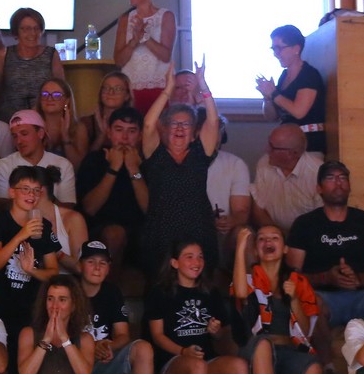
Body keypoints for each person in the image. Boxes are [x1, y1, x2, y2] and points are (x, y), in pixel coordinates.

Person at [286, 160, 364, 328]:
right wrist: (326, 278)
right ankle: (321, 347)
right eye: (330, 178)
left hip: (363, 295)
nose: (338, 182)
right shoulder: (304, 224)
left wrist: (358, 279)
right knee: (309, 302)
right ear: (319, 188)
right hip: (323, 296)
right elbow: (291, 277)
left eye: (342, 177)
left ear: (349, 186)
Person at [147, 240, 249, 374]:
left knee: (240, 367)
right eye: (189, 257)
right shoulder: (160, 292)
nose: (196, 262)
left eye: (200, 257)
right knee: (197, 366)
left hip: (207, 360)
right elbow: (157, 336)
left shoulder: (210, 291)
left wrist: (216, 331)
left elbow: (221, 336)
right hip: (173, 361)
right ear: (174, 263)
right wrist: (183, 351)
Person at [139, 67, 220, 272]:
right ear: (165, 130)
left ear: (194, 134)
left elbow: (213, 121)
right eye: (174, 123)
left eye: (186, 124)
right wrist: (168, 89)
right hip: (160, 233)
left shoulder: (200, 154)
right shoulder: (155, 155)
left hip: (198, 230)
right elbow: (148, 124)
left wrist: (203, 86)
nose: (180, 128)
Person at [0, 165, 62, 374]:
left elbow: (54, 272)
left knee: (26, 369)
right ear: (12, 192)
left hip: (30, 309)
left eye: (36, 190)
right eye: (25, 189)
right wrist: (21, 235)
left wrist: (32, 270)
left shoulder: (43, 226)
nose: (31, 195)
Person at [232, 226, 323, 374]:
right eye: (261, 239)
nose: (268, 241)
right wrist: (241, 247)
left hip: (289, 351)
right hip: (255, 354)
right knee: (263, 343)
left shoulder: (298, 282)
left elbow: (305, 333)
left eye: (274, 238)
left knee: (314, 368)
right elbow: (241, 293)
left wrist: (294, 299)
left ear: (285, 248)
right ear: (255, 250)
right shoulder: (249, 279)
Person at [79, 240, 154, 374]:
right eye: (91, 262)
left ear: (108, 268)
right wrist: (91, 347)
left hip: (103, 363)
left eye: (103, 263)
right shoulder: (68, 288)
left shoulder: (112, 292)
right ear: (80, 265)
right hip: (73, 364)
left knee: (143, 348)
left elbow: (123, 335)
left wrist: (107, 346)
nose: (97, 268)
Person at [77, 107, 148, 267]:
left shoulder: (147, 162)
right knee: (115, 234)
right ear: (109, 133)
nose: (124, 137)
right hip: (100, 229)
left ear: (140, 135)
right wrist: (113, 169)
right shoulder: (94, 160)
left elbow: (149, 209)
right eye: (119, 130)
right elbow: (90, 208)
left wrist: (134, 169)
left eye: (131, 131)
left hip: (139, 231)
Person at [17, 275, 95, 374]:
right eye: (50, 299)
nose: (54, 306)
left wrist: (65, 339)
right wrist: (46, 340)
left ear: (73, 305)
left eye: (62, 300)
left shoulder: (85, 339)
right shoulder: (28, 334)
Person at [112, 0, 175, 114]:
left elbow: (166, 56)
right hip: (130, 90)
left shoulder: (165, 16)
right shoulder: (125, 19)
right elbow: (118, 61)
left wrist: (145, 37)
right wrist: (133, 42)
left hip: (159, 89)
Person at [256, 25, 327, 155]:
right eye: (273, 49)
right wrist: (267, 97)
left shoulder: (309, 75)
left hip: (309, 145)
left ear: (296, 49)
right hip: (286, 144)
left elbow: (299, 112)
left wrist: (274, 93)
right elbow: (271, 117)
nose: (276, 54)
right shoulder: (283, 76)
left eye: (279, 48)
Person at [0, 109, 77, 207]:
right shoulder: (3, 166)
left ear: (40, 133)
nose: (19, 141)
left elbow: (68, 208)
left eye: (24, 134)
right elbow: (3, 206)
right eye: (15, 136)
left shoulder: (63, 165)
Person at [0, 7, 63, 118]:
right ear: (16, 32)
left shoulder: (51, 54)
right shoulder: (4, 55)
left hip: (43, 119)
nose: (32, 33)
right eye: (26, 29)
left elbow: (61, 90)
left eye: (36, 28)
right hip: (10, 119)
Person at [251, 124, 323, 231]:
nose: (266, 149)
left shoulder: (317, 173)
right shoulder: (264, 163)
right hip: (273, 234)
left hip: (308, 235)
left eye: (272, 147)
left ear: (293, 153)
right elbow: (259, 209)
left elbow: (321, 219)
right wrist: (277, 235)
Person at [207, 114, 252, 268]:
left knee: (245, 234)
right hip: (191, 232)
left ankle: (250, 282)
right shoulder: (180, 163)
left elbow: (241, 212)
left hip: (225, 235)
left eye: (217, 132)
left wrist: (232, 220)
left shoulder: (235, 164)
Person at [34, 77, 87, 168]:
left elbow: (79, 167)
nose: (49, 98)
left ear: (67, 101)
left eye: (57, 95)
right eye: (45, 94)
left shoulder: (78, 128)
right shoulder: (32, 125)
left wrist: (65, 137)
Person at [78, 71, 132, 154]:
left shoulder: (134, 123)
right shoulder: (85, 123)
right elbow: (83, 160)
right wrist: (101, 135)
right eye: (106, 88)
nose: (111, 92)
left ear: (127, 96)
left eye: (117, 89)